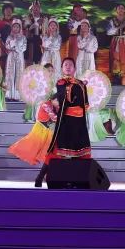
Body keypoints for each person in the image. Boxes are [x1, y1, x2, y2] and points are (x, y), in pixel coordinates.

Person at [34, 57, 92, 187]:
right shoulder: (60, 83)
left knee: (81, 153)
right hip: (64, 123)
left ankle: (80, 181)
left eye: (70, 65)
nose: (68, 67)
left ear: (75, 69)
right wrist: (78, 85)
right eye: (65, 65)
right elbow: (64, 98)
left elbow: (85, 105)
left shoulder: (81, 84)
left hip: (78, 123)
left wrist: (81, 86)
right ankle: (40, 177)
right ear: (62, 69)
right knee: (56, 151)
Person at [8, 100, 55, 166]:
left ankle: (38, 157)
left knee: (43, 144)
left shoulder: (52, 104)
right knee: (33, 142)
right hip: (40, 127)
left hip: (46, 127)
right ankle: (18, 150)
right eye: (57, 101)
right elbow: (53, 117)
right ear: (53, 99)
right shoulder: (46, 104)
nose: (58, 102)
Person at [106, 4, 125, 84]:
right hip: (116, 42)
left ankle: (123, 81)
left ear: (124, 10)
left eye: (122, 8)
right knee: (115, 60)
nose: (121, 9)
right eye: (119, 8)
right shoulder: (112, 21)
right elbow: (108, 32)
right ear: (116, 10)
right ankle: (115, 80)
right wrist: (119, 28)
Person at [4, 21, 28, 101]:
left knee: (19, 73)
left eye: (17, 27)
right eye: (14, 27)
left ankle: (18, 94)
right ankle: (9, 93)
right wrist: (12, 46)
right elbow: (7, 45)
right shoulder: (9, 37)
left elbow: (24, 47)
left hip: (19, 56)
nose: (15, 28)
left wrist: (16, 48)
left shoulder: (23, 37)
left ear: (20, 28)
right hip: (11, 56)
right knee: (10, 73)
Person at [66, 3, 91, 68]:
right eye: (77, 9)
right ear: (74, 10)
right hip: (74, 39)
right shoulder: (71, 19)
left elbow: (89, 29)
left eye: (80, 9)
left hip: (83, 38)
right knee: (73, 55)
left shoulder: (85, 19)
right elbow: (70, 28)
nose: (79, 11)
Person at [0, 3, 17, 68]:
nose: (8, 11)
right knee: (2, 63)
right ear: (3, 11)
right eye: (7, 10)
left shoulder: (15, 21)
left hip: (14, 46)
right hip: (3, 45)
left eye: (10, 10)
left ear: (12, 11)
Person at [24, 0, 48, 65]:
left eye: (37, 7)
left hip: (41, 42)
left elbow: (47, 31)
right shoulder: (28, 18)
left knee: (41, 61)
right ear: (32, 9)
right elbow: (27, 29)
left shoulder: (44, 18)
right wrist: (36, 24)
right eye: (34, 7)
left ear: (40, 9)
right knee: (30, 61)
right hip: (31, 42)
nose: (36, 9)